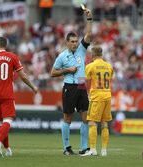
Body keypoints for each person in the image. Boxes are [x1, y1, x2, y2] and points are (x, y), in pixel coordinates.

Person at [50, 8, 92, 155]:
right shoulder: (62, 56)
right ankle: (66, 148)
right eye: (72, 42)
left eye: (76, 41)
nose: (75, 44)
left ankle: (83, 148)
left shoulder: (81, 50)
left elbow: (88, 35)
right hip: (69, 87)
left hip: (81, 85)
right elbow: (53, 73)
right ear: (67, 42)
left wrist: (89, 19)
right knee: (67, 117)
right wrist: (67, 70)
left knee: (86, 117)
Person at [0, 37, 38, 157]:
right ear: (5, 46)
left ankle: (7, 149)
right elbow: (23, 76)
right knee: (8, 120)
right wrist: (32, 86)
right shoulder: (12, 57)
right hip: (6, 93)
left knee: (1, 123)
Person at [82, 46, 113, 156]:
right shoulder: (109, 66)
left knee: (91, 122)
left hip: (96, 97)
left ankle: (93, 150)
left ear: (92, 55)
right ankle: (104, 150)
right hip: (107, 96)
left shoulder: (90, 66)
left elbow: (83, 81)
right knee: (104, 123)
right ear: (102, 54)